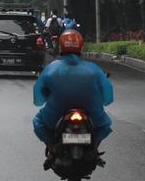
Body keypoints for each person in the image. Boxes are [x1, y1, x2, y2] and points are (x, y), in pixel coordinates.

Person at [33, 30, 113, 169]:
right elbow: (108, 98)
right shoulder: (94, 70)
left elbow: (38, 99)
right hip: (92, 113)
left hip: (55, 114)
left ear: (61, 46)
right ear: (80, 47)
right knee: (105, 124)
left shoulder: (51, 69)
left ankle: (52, 151)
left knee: (38, 122)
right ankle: (94, 150)